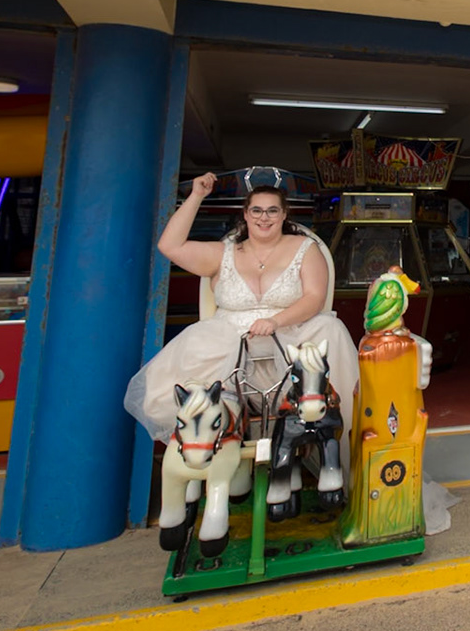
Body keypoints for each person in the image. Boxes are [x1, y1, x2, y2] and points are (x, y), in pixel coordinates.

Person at [123, 171, 360, 448]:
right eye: (257, 210)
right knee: (169, 383)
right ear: (246, 215)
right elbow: (169, 246)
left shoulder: (306, 248)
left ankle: (336, 444)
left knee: (331, 328)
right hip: (229, 342)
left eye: (272, 210)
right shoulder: (224, 252)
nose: (264, 217)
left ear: (284, 215)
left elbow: (314, 297)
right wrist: (197, 195)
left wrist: (275, 320)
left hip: (290, 335)